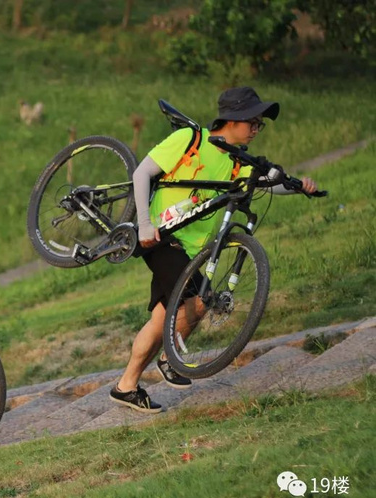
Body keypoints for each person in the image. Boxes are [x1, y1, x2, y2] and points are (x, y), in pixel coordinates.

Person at [110, 86, 318, 413]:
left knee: (164, 317)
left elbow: (268, 184)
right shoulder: (191, 140)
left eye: (259, 124)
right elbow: (142, 173)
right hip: (162, 235)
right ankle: (170, 357)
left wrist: (298, 186)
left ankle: (126, 386)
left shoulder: (239, 163)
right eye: (252, 121)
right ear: (232, 119)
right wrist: (145, 224)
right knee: (199, 300)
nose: (256, 129)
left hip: (189, 251)